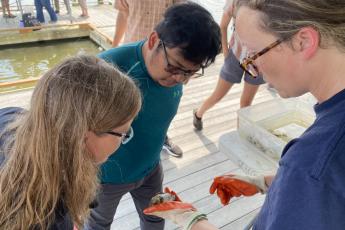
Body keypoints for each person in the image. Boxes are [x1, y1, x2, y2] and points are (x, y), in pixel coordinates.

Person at [145, 0, 345, 229]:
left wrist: (190, 219)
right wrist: (269, 182)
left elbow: (315, 178)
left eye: (253, 52)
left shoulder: (312, 165)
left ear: (304, 41)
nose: (252, 67)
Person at [84, 2, 221, 230]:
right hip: (106, 178)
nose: (180, 79)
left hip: (151, 168)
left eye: (190, 72)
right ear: (153, 40)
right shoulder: (107, 69)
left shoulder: (176, 72)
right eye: (175, 67)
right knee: (98, 224)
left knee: (156, 218)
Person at [0, 55, 141, 230]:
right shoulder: (49, 219)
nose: (123, 139)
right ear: (83, 136)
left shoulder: (10, 116)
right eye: (123, 133)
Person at [112, 0, 185, 157]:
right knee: (125, 103)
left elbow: (182, 19)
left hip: (166, 59)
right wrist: (115, 45)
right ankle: (121, 139)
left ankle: (162, 137)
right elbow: (123, 14)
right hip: (133, 54)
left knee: (164, 105)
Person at [192, 0, 265, 131]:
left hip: (257, 62)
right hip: (235, 56)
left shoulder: (269, 5)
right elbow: (223, 26)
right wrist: (225, 52)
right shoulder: (234, 2)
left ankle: (240, 133)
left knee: (246, 103)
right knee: (218, 95)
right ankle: (198, 114)